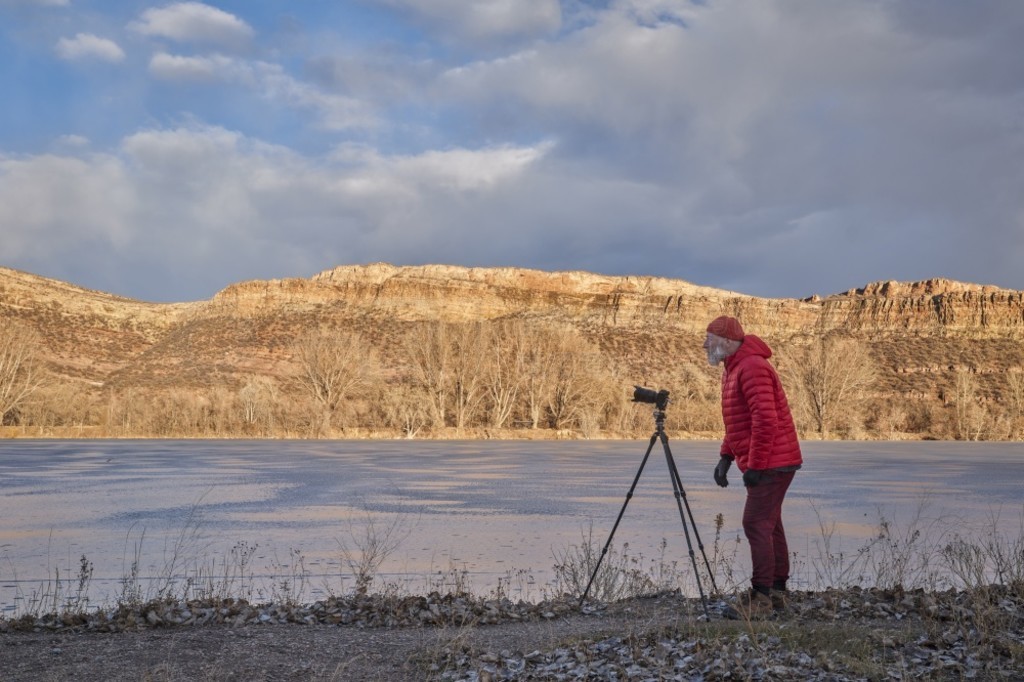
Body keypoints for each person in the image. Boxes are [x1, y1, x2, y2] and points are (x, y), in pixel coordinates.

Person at [704, 315, 802, 619]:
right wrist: (726, 457)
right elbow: (739, 421)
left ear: (726, 341)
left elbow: (765, 420)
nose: (704, 344)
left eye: (709, 338)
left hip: (774, 461)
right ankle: (776, 593)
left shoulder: (752, 367)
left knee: (755, 524)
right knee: (769, 524)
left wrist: (755, 466)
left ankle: (761, 599)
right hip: (772, 459)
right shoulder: (733, 369)